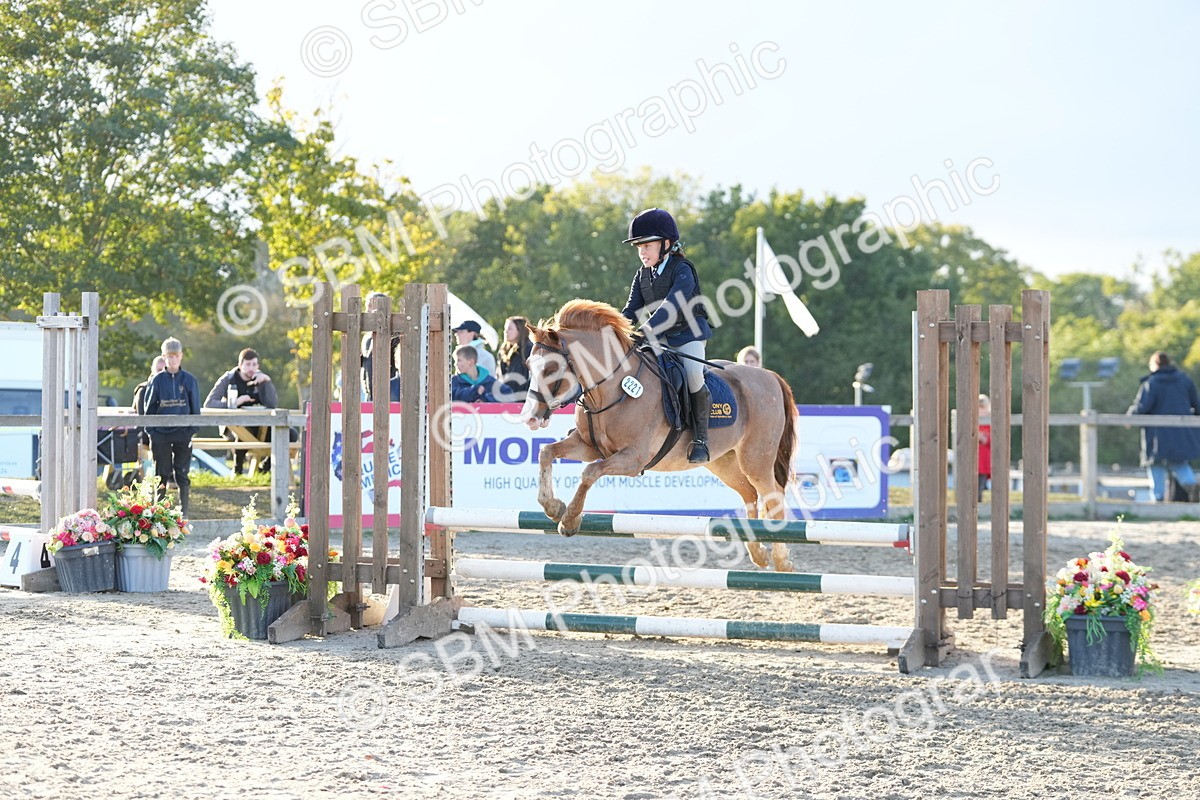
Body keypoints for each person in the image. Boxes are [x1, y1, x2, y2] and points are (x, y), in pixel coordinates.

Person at [619, 207, 713, 462]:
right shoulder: (642, 275)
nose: (642, 252)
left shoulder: (683, 269)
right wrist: (614, 331)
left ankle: (701, 439)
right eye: (639, 246)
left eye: (647, 245)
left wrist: (647, 330)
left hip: (688, 334)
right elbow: (631, 310)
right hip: (658, 336)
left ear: (666, 244)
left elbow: (673, 304)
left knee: (693, 375)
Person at [1128, 350, 1200, 502]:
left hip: (1157, 436)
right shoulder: (1185, 380)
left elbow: (1142, 406)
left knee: (1156, 465)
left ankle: (1158, 499)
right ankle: (1192, 486)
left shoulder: (1152, 383)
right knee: (1180, 464)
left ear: (1154, 364)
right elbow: (1197, 405)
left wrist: (1129, 419)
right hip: (1182, 434)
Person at [142, 337, 200, 515]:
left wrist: (191, 431)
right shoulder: (157, 380)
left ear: (181, 356)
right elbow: (149, 407)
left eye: (176, 356)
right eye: (169, 356)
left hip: (183, 433)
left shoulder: (189, 380)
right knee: (162, 473)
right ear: (164, 357)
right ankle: (158, 510)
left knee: (182, 473)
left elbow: (195, 408)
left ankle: (184, 511)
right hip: (161, 434)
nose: (173, 359)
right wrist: (152, 432)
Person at [203, 348, 279, 475]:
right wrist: (235, 403)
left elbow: (272, 404)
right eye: (248, 364)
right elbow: (209, 403)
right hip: (233, 426)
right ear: (240, 365)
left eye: (254, 364)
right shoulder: (228, 379)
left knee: (288, 433)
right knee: (243, 431)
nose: (251, 368)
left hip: (260, 426)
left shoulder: (261, 379)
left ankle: (265, 468)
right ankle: (237, 470)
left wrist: (267, 381)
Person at [496, 315, 533, 401]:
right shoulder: (504, 351)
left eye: (510, 329)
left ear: (520, 331)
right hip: (507, 399)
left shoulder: (529, 350)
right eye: (505, 328)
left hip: (522, 400)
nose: (505, 332)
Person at [977, 394, 992, 502]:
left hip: (983, 463)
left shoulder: (989, 423)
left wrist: (983, 437)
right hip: (974, 462)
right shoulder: (973, 423)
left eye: (983, 408)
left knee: (980, 486)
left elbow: (991, 440)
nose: (980, 411)